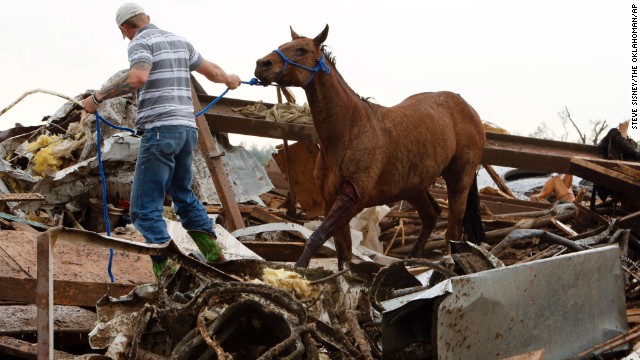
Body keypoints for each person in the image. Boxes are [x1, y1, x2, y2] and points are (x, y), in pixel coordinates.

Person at [82, 3, 242, 276]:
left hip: (159, 131)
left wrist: (97, 98)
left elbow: (138, 77)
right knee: (183, 196)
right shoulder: (180, 41)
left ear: (124, 29)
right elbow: (213, 74)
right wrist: (229, 78)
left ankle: (166, 275)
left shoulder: (139, 42)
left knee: (144, 210)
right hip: (187, 131)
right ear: (148, 18)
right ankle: (215, 256)